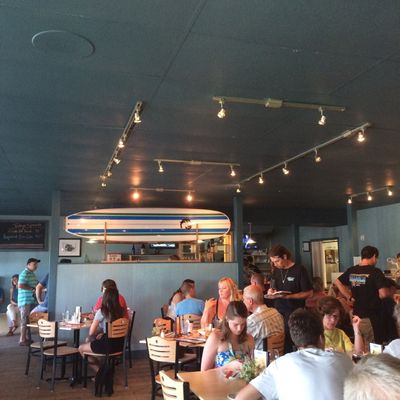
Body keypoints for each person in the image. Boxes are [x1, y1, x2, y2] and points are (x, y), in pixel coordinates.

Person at [236, 309, 353, 400]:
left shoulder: (281, 365)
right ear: (321, 339)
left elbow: (241, 398)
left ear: (295, 341)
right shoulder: (345, 361)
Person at [335, 245, 390, 345]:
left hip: (356, 317)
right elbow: (383, 294)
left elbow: (337, 282)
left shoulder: (352, 270)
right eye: (377, 258)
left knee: (360, 345)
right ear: (374, 256)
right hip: (371, 317)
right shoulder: (375, 272)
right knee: (373, 347)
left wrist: (349, 296)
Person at [267, 244, 312, 352]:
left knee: (292, 341)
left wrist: (290, 296)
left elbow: (309, 293)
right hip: (278, 312)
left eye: (277, 261)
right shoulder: (276, 270)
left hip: (294, 312)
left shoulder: (299, 270)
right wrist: (271, 291)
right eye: (273, 262)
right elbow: (272, 286)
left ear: (285, 256)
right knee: (280, 340)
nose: (275, 264)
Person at [201, 301, 254, 374]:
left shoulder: (249, 339)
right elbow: (204, 372)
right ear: (227, 319)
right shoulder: (216, 337)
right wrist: (227, 367)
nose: (239, 329)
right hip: (218, 380)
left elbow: (253, 369)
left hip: (244, 381)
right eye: (235, 324)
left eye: (243, 324)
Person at [79, 288, 126, 364]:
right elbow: (115, 329)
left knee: (81, 348)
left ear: (105, 298)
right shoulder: (121, 311)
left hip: (107, 345)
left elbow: (91, 332)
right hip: (120, 345)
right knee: (91, 340)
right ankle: (105, 367)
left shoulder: (102, 311)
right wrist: (104, 334)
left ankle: (99, 370)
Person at [242, 285, 284, 351]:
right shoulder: (276, 312)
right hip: (279, 355)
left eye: (243, 299)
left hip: (260, 357)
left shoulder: (252, 321)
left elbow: (241, 343)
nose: (243, 302)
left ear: (250, 301)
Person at [18, 258, 40, 346]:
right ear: (28, 265)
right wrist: (32, 289)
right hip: (25, 301)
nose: (36, 266)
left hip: (31, 300)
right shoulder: (25, 273)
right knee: (24, 320)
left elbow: (37, 284)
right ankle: (22, 339)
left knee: (28, 320)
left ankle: (26, 338)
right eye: (34, 264)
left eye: (36, 264)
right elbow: (20, 285)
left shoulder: (32, 274)